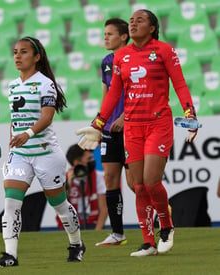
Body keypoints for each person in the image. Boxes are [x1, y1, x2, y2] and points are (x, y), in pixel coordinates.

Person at [76, 9, 198, 257]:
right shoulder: (121, 56)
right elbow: (113, 94)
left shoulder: (164, 50)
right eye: (131, 20)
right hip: (132, 127)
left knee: (152, 181)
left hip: (157, 123)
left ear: (152, 28)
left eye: (140, 20)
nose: (133, 23)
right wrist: (99, 123)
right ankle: (148, 243)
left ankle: (166, 226)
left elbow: (180, 84)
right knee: (139, 186)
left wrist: (190, 116)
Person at [0, 36, 85, 268]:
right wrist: (13, 139)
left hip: (45, 153)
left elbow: (47, 116)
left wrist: (28, 135)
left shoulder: (45, 84)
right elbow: (16, 119)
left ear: (36, 57)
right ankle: (10, 255)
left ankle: (76, 243)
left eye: (23, 52)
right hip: (21, 154)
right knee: (11, 203)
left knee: (59, 205)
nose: (17, 56)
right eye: (15, 52)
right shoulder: (12, 86)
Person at [95, 18, 133, 246]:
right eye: (105, 33)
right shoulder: (106, 62)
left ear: (124, 36)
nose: (105, 37)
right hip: (110, 130)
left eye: (110, 34)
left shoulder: (133, 59)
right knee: (110, 179)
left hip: (131, 127)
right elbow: (106, 94)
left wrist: (124, 117)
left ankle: (162, 221)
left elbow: (138, 93)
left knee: (134, 184)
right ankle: (118, 233)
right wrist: (100, 123)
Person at [56, 144, 107, 231]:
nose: (93, 161)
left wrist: (97, 232)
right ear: (77, 162)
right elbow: (59, 207)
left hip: (92, 225)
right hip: (69, 226)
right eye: (89, 159)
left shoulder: (97, 176)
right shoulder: (63, 178)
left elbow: (104, 209)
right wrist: (68, 185)